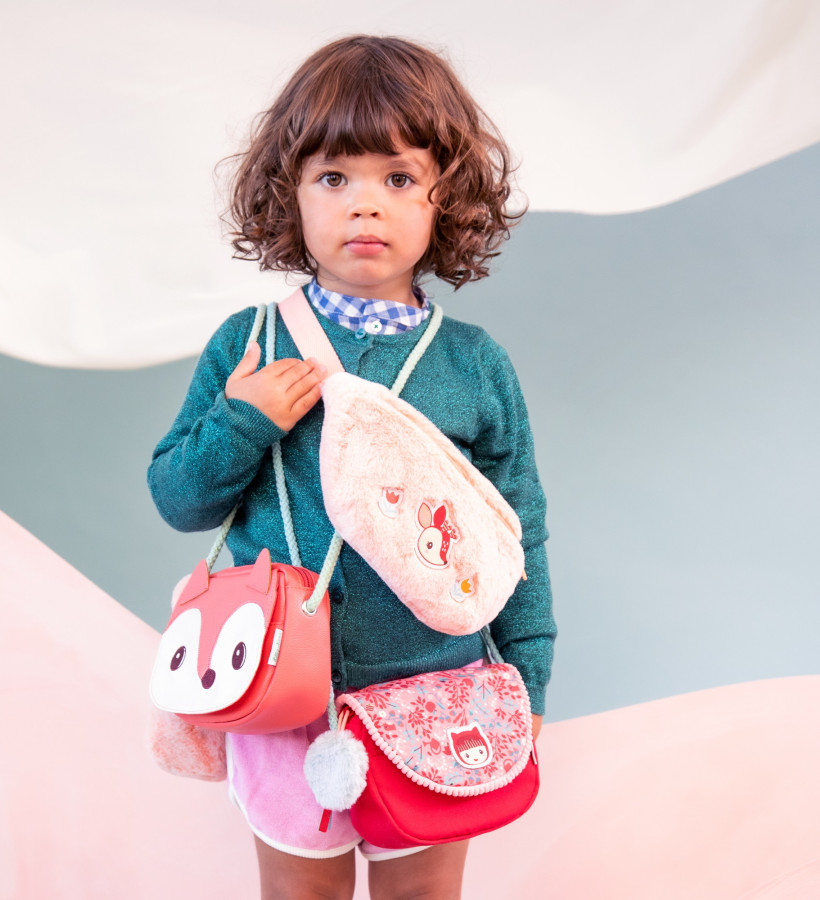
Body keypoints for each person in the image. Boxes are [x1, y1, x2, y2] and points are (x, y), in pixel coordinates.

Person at [148, 34, 556, 900]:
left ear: (447, 198)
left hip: (437, 690)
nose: (364, 204)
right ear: (288, 194)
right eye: (334, 177)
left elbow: (517, 535)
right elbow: (178, 499)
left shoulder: (475, 367)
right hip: (281, 694)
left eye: (398, 178)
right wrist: (243, 421)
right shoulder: (249, 344)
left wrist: (530, 677)